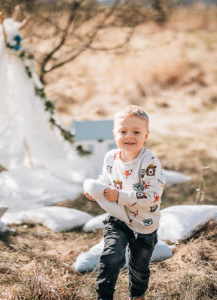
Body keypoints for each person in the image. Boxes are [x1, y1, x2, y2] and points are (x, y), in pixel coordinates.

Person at [84, 105, 165, 300]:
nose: (129, 136)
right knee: (111, 256)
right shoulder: (110, 157)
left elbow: (153, 196)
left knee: (139, 268)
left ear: (146, 135)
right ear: (114, 134)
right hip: (119, 217)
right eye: (123, 131)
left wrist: (119, 195)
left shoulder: (150, 162)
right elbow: (106, 177)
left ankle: (137, 295)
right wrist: (96, 189)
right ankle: (104, 296)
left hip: (145, 223)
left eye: (136, 132)